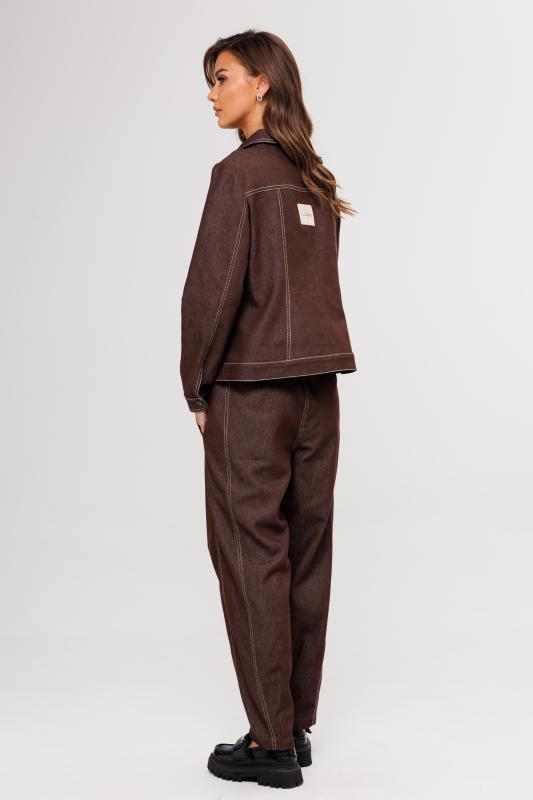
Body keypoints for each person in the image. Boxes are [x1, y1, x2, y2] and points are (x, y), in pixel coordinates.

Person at [179, 29, 357, 789]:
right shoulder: (314, 178)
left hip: (251, 393)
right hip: (319, 388)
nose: (211, 92)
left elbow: (212, 290)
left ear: (262, 83)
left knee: (252, 556)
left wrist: (196, 386)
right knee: (306, 551)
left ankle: (269, 743)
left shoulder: (238, 176)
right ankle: (296, 724)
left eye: (222, 77)